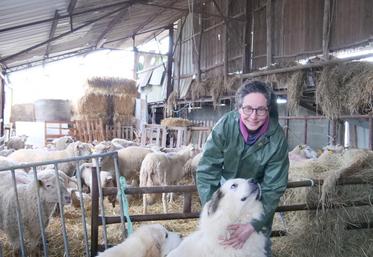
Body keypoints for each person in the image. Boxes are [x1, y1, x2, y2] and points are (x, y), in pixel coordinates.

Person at [196, 80, 289, 256]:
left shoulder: (276, 138)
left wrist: (254, 225)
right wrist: (214, 211)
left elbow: (274, 186)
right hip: (229, 196)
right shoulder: (225, 126)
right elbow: (207, 170)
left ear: (268, 109)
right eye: (248, 109)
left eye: (260, 109)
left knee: (257, 247)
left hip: (257, 200)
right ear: (239, 108)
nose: (253, 116)